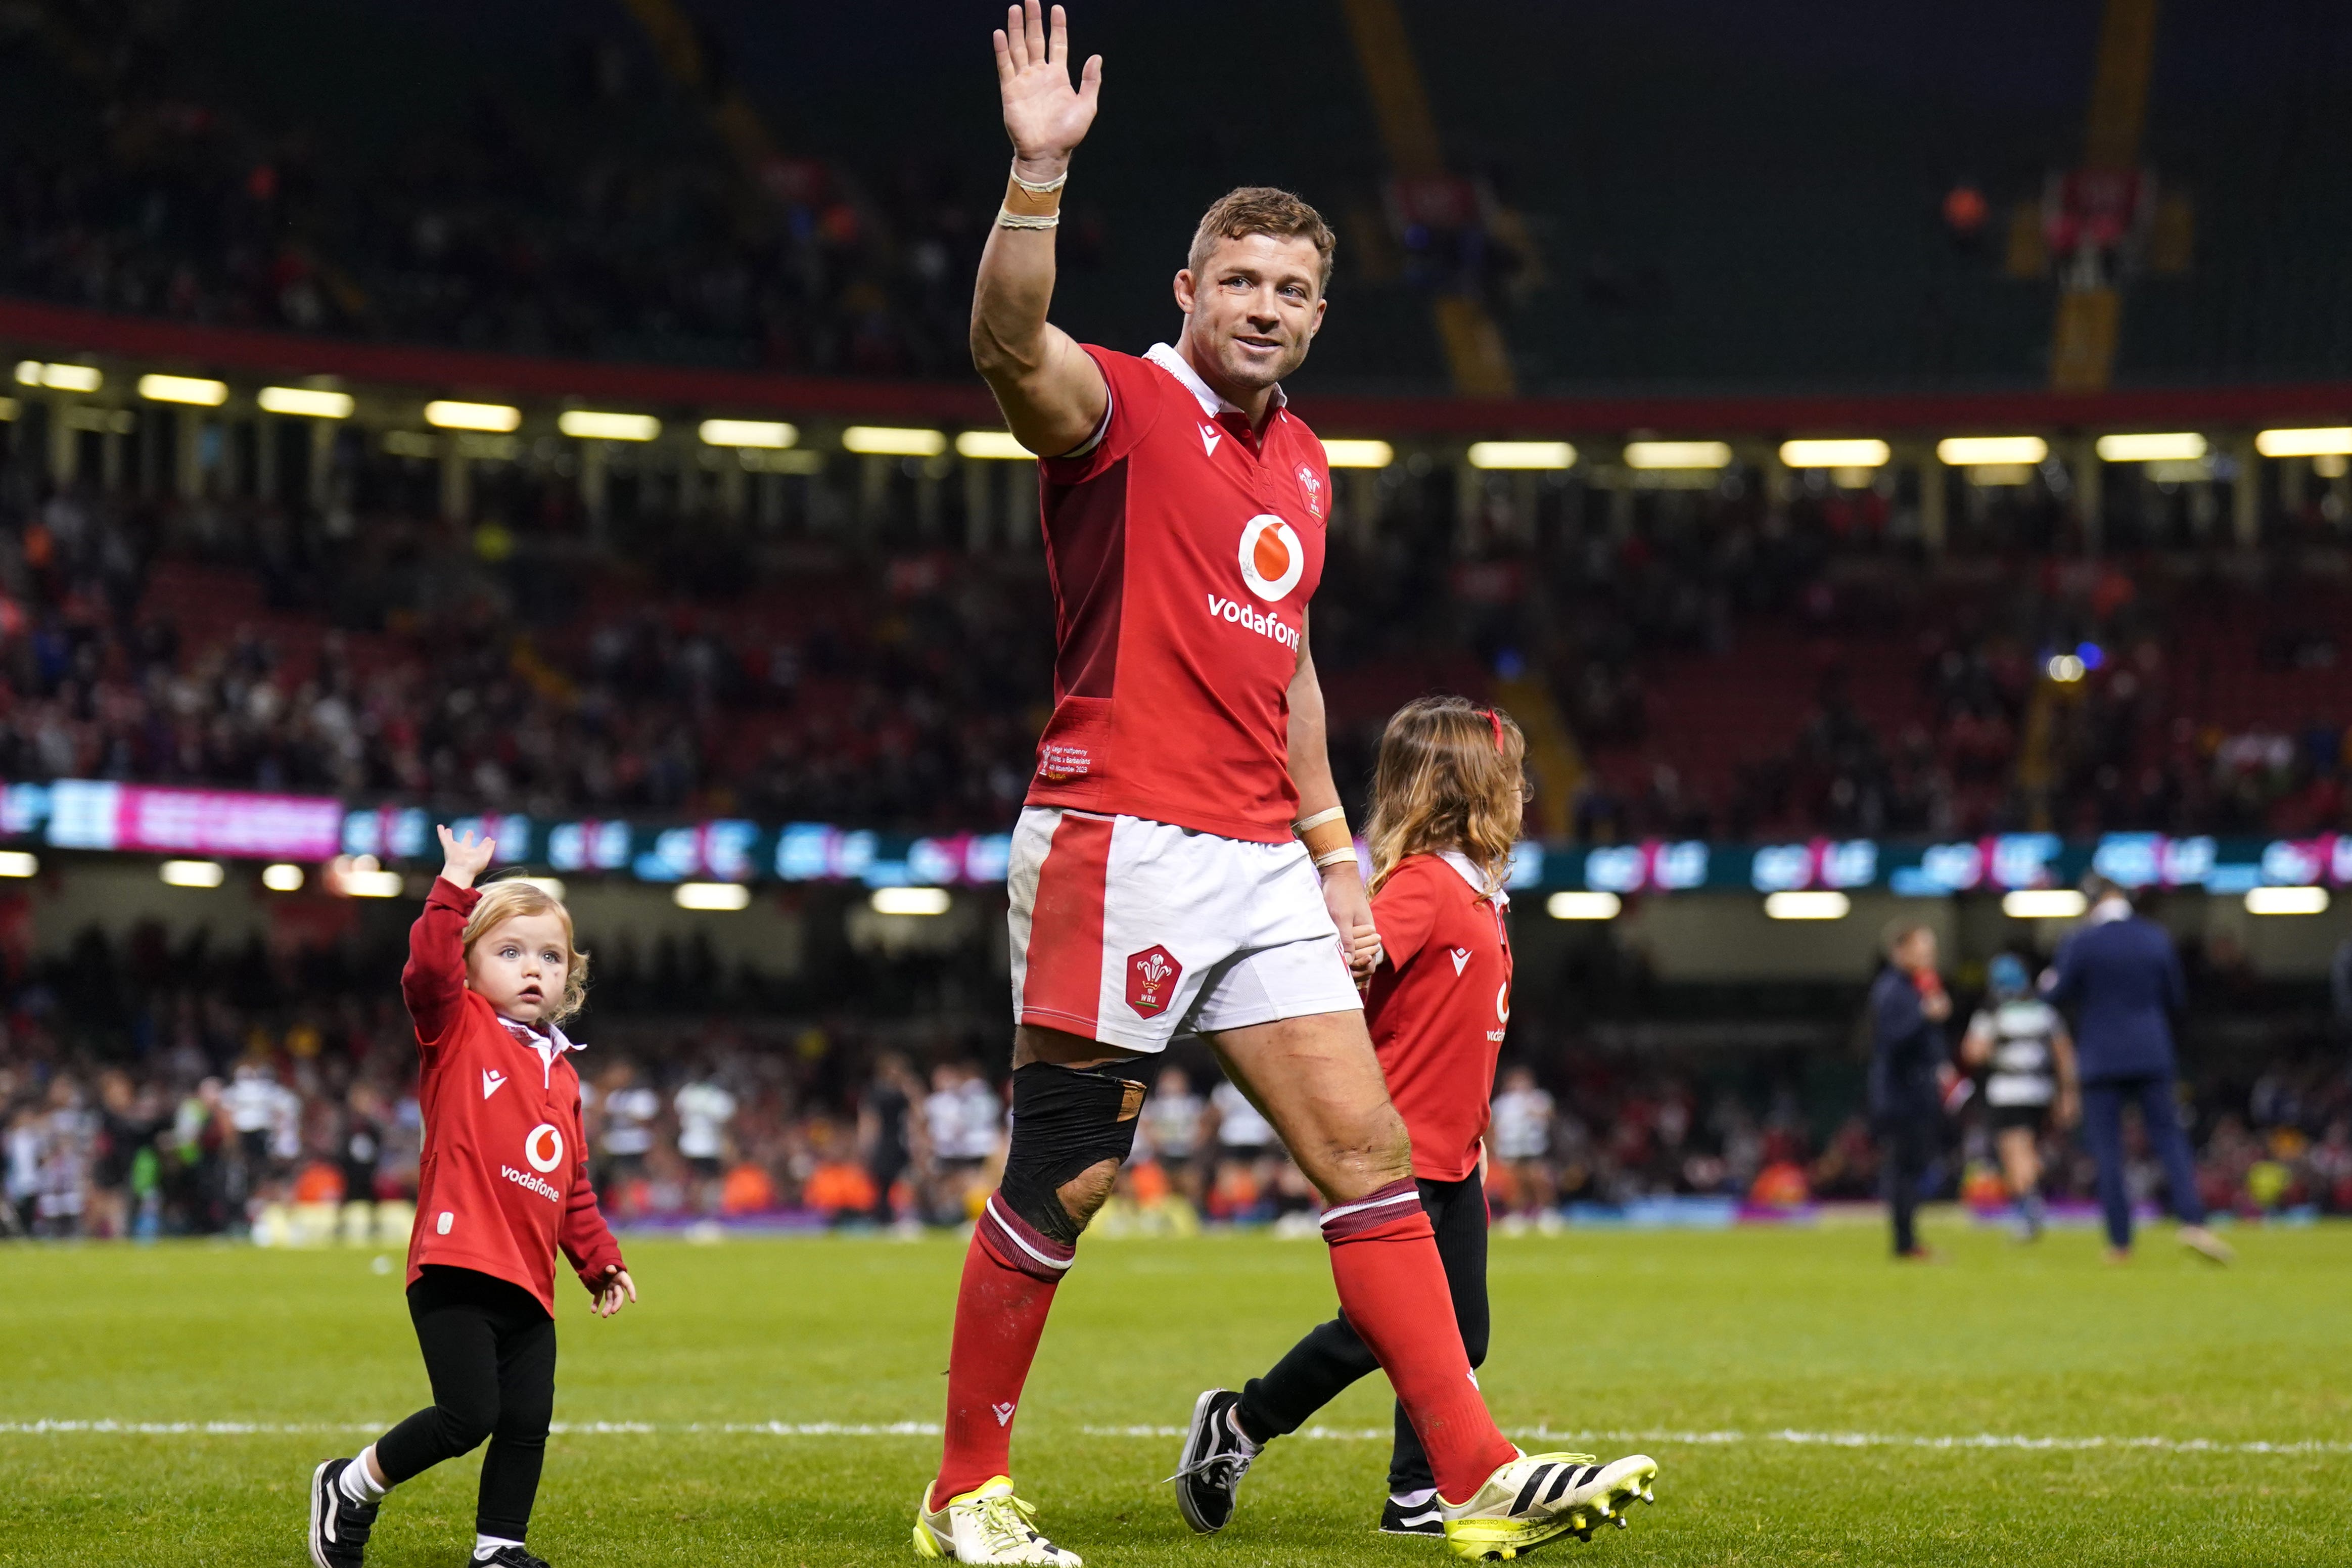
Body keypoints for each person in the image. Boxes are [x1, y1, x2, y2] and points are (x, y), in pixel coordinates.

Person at [916, 9, 1656, 1563]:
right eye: (1240, 280)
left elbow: (1292, 667)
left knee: (1368, 1155)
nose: (1266, 306)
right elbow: (1005, 346)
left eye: (1295, 290)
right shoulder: (1120, 407)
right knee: (1072, 1168)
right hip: (1117, 834)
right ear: (1189, 292)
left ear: (1320, 318)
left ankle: (1470, 1472)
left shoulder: (1308, 463)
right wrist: (1036, 179)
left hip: (1261, 853)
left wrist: (1331, 847)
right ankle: (964, 1493)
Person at [1176, 699, 1648, 1542]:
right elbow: (1343, 963)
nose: (1523, 789)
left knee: (1456, 1333)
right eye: (1509, 776)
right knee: (1395, 1331)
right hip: (1400, 1157)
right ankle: (1254, 1428)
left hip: (1453, 1155)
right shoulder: (1426, 885)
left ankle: (1403, 1491)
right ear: (1468, 788)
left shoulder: (1475, 890)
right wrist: (1343, 950)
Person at [308, 830, 635, 1568]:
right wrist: (455, 884)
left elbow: (572, 1184)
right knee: (470, 1415)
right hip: (456, 1262)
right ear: (469, 965)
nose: (533, 969)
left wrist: (600, 1262)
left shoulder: (564, 1076)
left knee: (526, 1419)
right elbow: (425, 970)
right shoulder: (456, 1027)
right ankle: (350, 1485)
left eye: (550, 958)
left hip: (530, 1277)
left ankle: (499, 1548)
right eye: (510, 951)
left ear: (569, 980)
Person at [2045, 876, 2232, 1264]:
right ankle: (2193, 1222)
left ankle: (2119, 1243)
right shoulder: (2155, 937)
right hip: (2151, 1051)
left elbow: (2056, 994)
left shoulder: (2081, 941)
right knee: (2169, 1139)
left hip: (2100, 1056)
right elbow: (2175, 996)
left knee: (2108, 1150)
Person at [1958, 953, 2077, 1239]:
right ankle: (2031, 1196)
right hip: (2039, 1091)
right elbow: (2064, 1056)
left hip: (2007, 1093)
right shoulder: (2045, 1012)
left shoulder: (1992, 1012)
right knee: (2027, 1150)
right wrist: (2069, 1094)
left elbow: (1972, 1052)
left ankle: (2029, 1209)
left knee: (2015, 1152)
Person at [1868, 922, 1951, 1260]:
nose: (1929, 956)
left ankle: (1908, 1238)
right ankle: (1904, 1242)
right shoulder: (1892, 990)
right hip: (1899, 1095)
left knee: (1913, 1167)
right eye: (1922, 949)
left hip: (1916, 1091)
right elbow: (1892, 1041)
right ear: (1900, 951)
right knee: (1904, 1168)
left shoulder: (1917, 986)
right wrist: (1925, 1014)